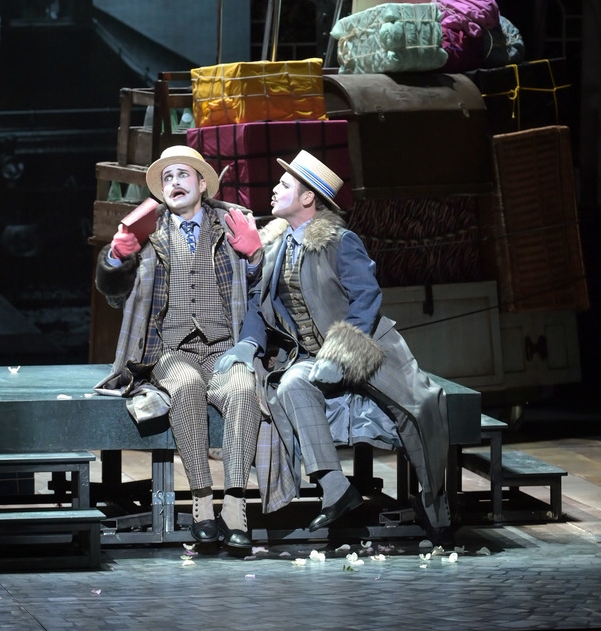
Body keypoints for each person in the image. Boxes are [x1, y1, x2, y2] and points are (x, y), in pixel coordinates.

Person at [215, 150, 453, 545]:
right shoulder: (275, 248)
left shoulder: (342, 242)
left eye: (285, 185)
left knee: (419, 408)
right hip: (311, 357)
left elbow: (366, 298)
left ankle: (435, 498)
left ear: (308, 198)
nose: (274, 189)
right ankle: (336, 489)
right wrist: (248, 343)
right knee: (290, 386)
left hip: (367, 347)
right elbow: (261, 303)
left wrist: (340, 356)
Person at [94, 145, 264, 553]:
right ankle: (203, 503)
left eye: (182, 175)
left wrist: (257, 256)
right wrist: (116, 258)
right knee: (185, 385)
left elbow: (261, 289)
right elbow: (114, 295)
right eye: (167, 178)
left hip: (226, 348)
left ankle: (235, 507)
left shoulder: (230, 224)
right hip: (170, 350)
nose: (174, 184)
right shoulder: (149, 234)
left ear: (202, 184)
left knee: (243, 390)